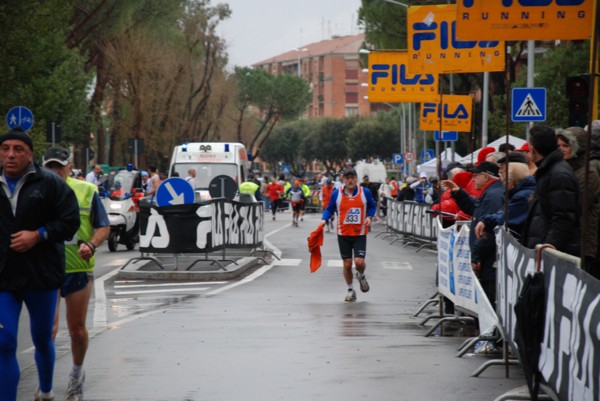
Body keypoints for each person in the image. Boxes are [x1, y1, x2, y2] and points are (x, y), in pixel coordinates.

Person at [0, 128, 80, 401]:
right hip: (4, 277)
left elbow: (70, 223)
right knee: (4, 343)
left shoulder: (50, 184)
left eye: (18, 149)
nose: (10, 154)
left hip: (41, 274)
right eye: (5, 148)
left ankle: (45, 391)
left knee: (42, 338)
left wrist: (39, 235)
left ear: (30, 154)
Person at [42, 147, 110, 401]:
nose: (55, 171)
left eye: (59, 166)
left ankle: (76, 374)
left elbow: (104, 227)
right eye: (49, 166)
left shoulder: (86, 191)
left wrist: (91, 244)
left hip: (77, 269)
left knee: (76, 329)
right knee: (47, 330)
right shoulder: (36, 192)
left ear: (70, 167)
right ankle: (44, 382)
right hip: (46, 268)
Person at [441, 161, 505, 309]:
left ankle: (488, 329)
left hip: (488, 259)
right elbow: (476, 209)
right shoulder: (490, 193)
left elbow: (488, 230)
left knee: (488, 299)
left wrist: (477, 256)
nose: (473, 179)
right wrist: (458, 192)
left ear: (485, 177)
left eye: (475, 176)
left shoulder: (493, 195)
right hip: (487, 257)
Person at [520, 125, 580, 256]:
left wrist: (549, 248)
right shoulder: (548, 171)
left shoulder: (558, 175)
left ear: (532, 149)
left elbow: (563, 217)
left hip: (551, 255)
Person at [320, 168, 377, 302]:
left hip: (360, 233)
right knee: (346, 264)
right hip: (343, 233)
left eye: (352, 177)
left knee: (359, 262)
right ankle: (350, 290)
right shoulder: (337, 193)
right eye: (347, 178)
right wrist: (324, 219)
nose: (350, 180)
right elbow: (330, 209)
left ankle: (361, 275)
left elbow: (372, 206)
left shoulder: (365, 192)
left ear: (356, 179)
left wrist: (369, 216)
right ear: (343, 179)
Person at [556, 127, 600, 276]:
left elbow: (575, 205)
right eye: (558, 146)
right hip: (565, 238)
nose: (561, 149)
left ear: (577, 147)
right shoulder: (562, 170)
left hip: (581, 241)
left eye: (565, 145)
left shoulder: (588, 173)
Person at [474, 162, 536, 240]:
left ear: (512, 181)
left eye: (504, 180)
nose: (503, 184)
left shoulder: (521, 197)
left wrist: (486, 221)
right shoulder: (521, 193)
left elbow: (505, 218)